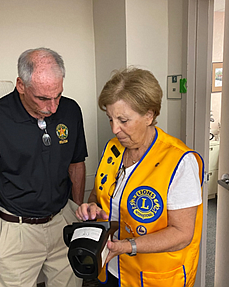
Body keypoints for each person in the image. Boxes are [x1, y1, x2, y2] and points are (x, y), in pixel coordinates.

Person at [0, 47, 87, 287]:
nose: (53, 107)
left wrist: (75, 213)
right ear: (21, 85)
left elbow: (76, 164)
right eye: (43, 98)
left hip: (62, 221)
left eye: (58, 96)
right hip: (15, 230)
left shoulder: (71, 110)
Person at [76, 68, 204, 287]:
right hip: (111, 269)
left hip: (154, 277)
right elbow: (99, 194)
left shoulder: (179, 161)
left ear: (149, 115)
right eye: (110, 119)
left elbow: (182, 234)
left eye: (123, 120)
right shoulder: (112, 149)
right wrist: (91, 206)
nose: (115, 129)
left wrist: (127, 246)